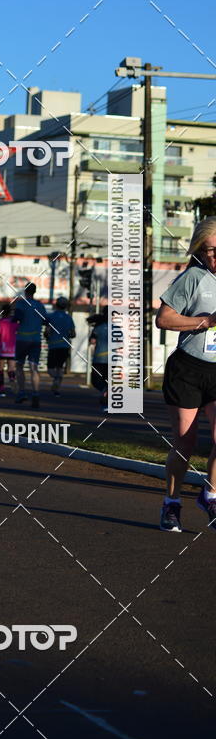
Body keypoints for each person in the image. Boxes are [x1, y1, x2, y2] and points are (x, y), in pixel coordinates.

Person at [156, 217, 216, 533]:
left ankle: (210, 494)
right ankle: (172, 503)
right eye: (209, 251)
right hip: (188, 370)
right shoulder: (193, 278)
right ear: (200, 252)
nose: (214, 256)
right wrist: (205, 321)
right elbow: (163, 319)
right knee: (185, 442)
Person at [13, 282, 48, 409]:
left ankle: (21, 392)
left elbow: (17, 317)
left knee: (19, 366)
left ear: (25, 291)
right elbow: (45, 320)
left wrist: (13, 319)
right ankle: (35, 394)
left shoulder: (21, 303)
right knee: (34, 367)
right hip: (35, 340)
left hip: (22, 339)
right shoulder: (40, 305)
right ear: (35, 291)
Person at [45, 296, 76, 396]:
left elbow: (47, 331)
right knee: (60, 367)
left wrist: (48, 336)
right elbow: (73, 334)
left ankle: (56, 379)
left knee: (50, 369)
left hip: (53, 346)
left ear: (56, 305)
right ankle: (57, 388)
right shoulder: (69, 318)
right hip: (64, 346)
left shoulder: (51, 316)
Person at [0, 304, 19, 397]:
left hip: (2, 348)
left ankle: (1, 389)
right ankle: (12, 379)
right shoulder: (15, 322)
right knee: (11, 369)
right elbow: (19, 332)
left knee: (0, 369)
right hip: (12, 349)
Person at [88, 306, 109, 412]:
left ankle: (104, 392)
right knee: (107, 380)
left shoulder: (98, 327)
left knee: (95, 381)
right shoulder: (116, 327)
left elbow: (92, 341)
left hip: (99, 358)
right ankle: (106, 397)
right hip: (111, 359)